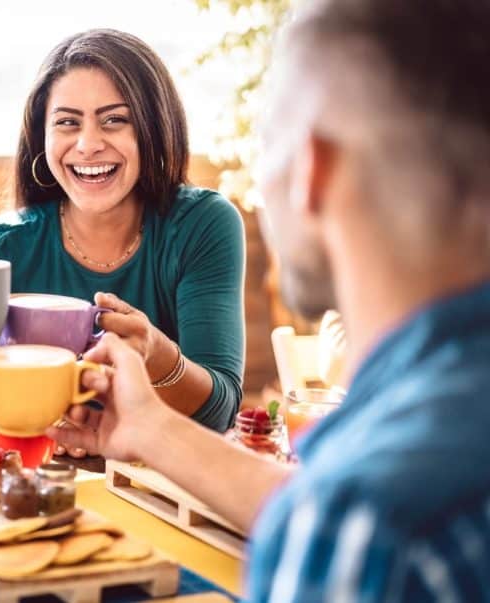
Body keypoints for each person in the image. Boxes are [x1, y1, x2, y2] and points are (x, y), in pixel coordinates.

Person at [49, 0, 490, 599]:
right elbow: (314, 504)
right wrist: (149, 429)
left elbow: (344, 521)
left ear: (312, 169)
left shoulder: (370, 528)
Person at [0, 29, 245, 451]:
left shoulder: (203, 224)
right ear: (42, 138)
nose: (88, 144)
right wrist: (66, 444)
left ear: (151, 129)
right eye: (67, 123)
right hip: (42, 484)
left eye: (114, 120)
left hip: (161, 482)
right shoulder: (0, 250)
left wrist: (159, 357)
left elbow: (219, 413)